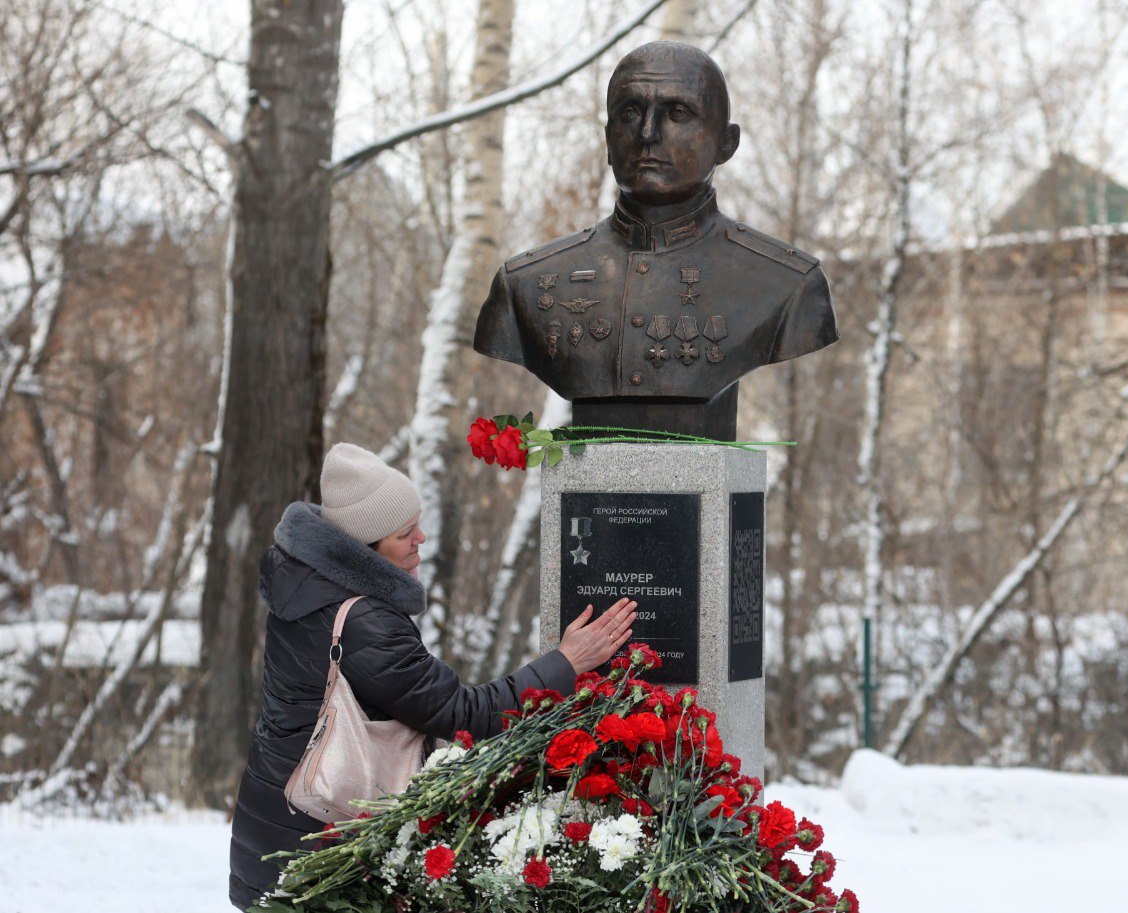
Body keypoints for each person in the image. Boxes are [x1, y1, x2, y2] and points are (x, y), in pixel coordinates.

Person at [228, 443, 636, 909]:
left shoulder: (305, 585)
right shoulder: (366, 624)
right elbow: (466, 714)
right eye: (406, 533)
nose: (421, 537)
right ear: (367, 546)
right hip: (319, 840)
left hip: (275, 821)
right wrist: (566, 661)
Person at [474, 41, 839, 441]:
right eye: (629, 112)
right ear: (607, 138)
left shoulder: (786, 284)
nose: (647, 134)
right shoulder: (524, 285)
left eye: (678, 113)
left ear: (727, 143)